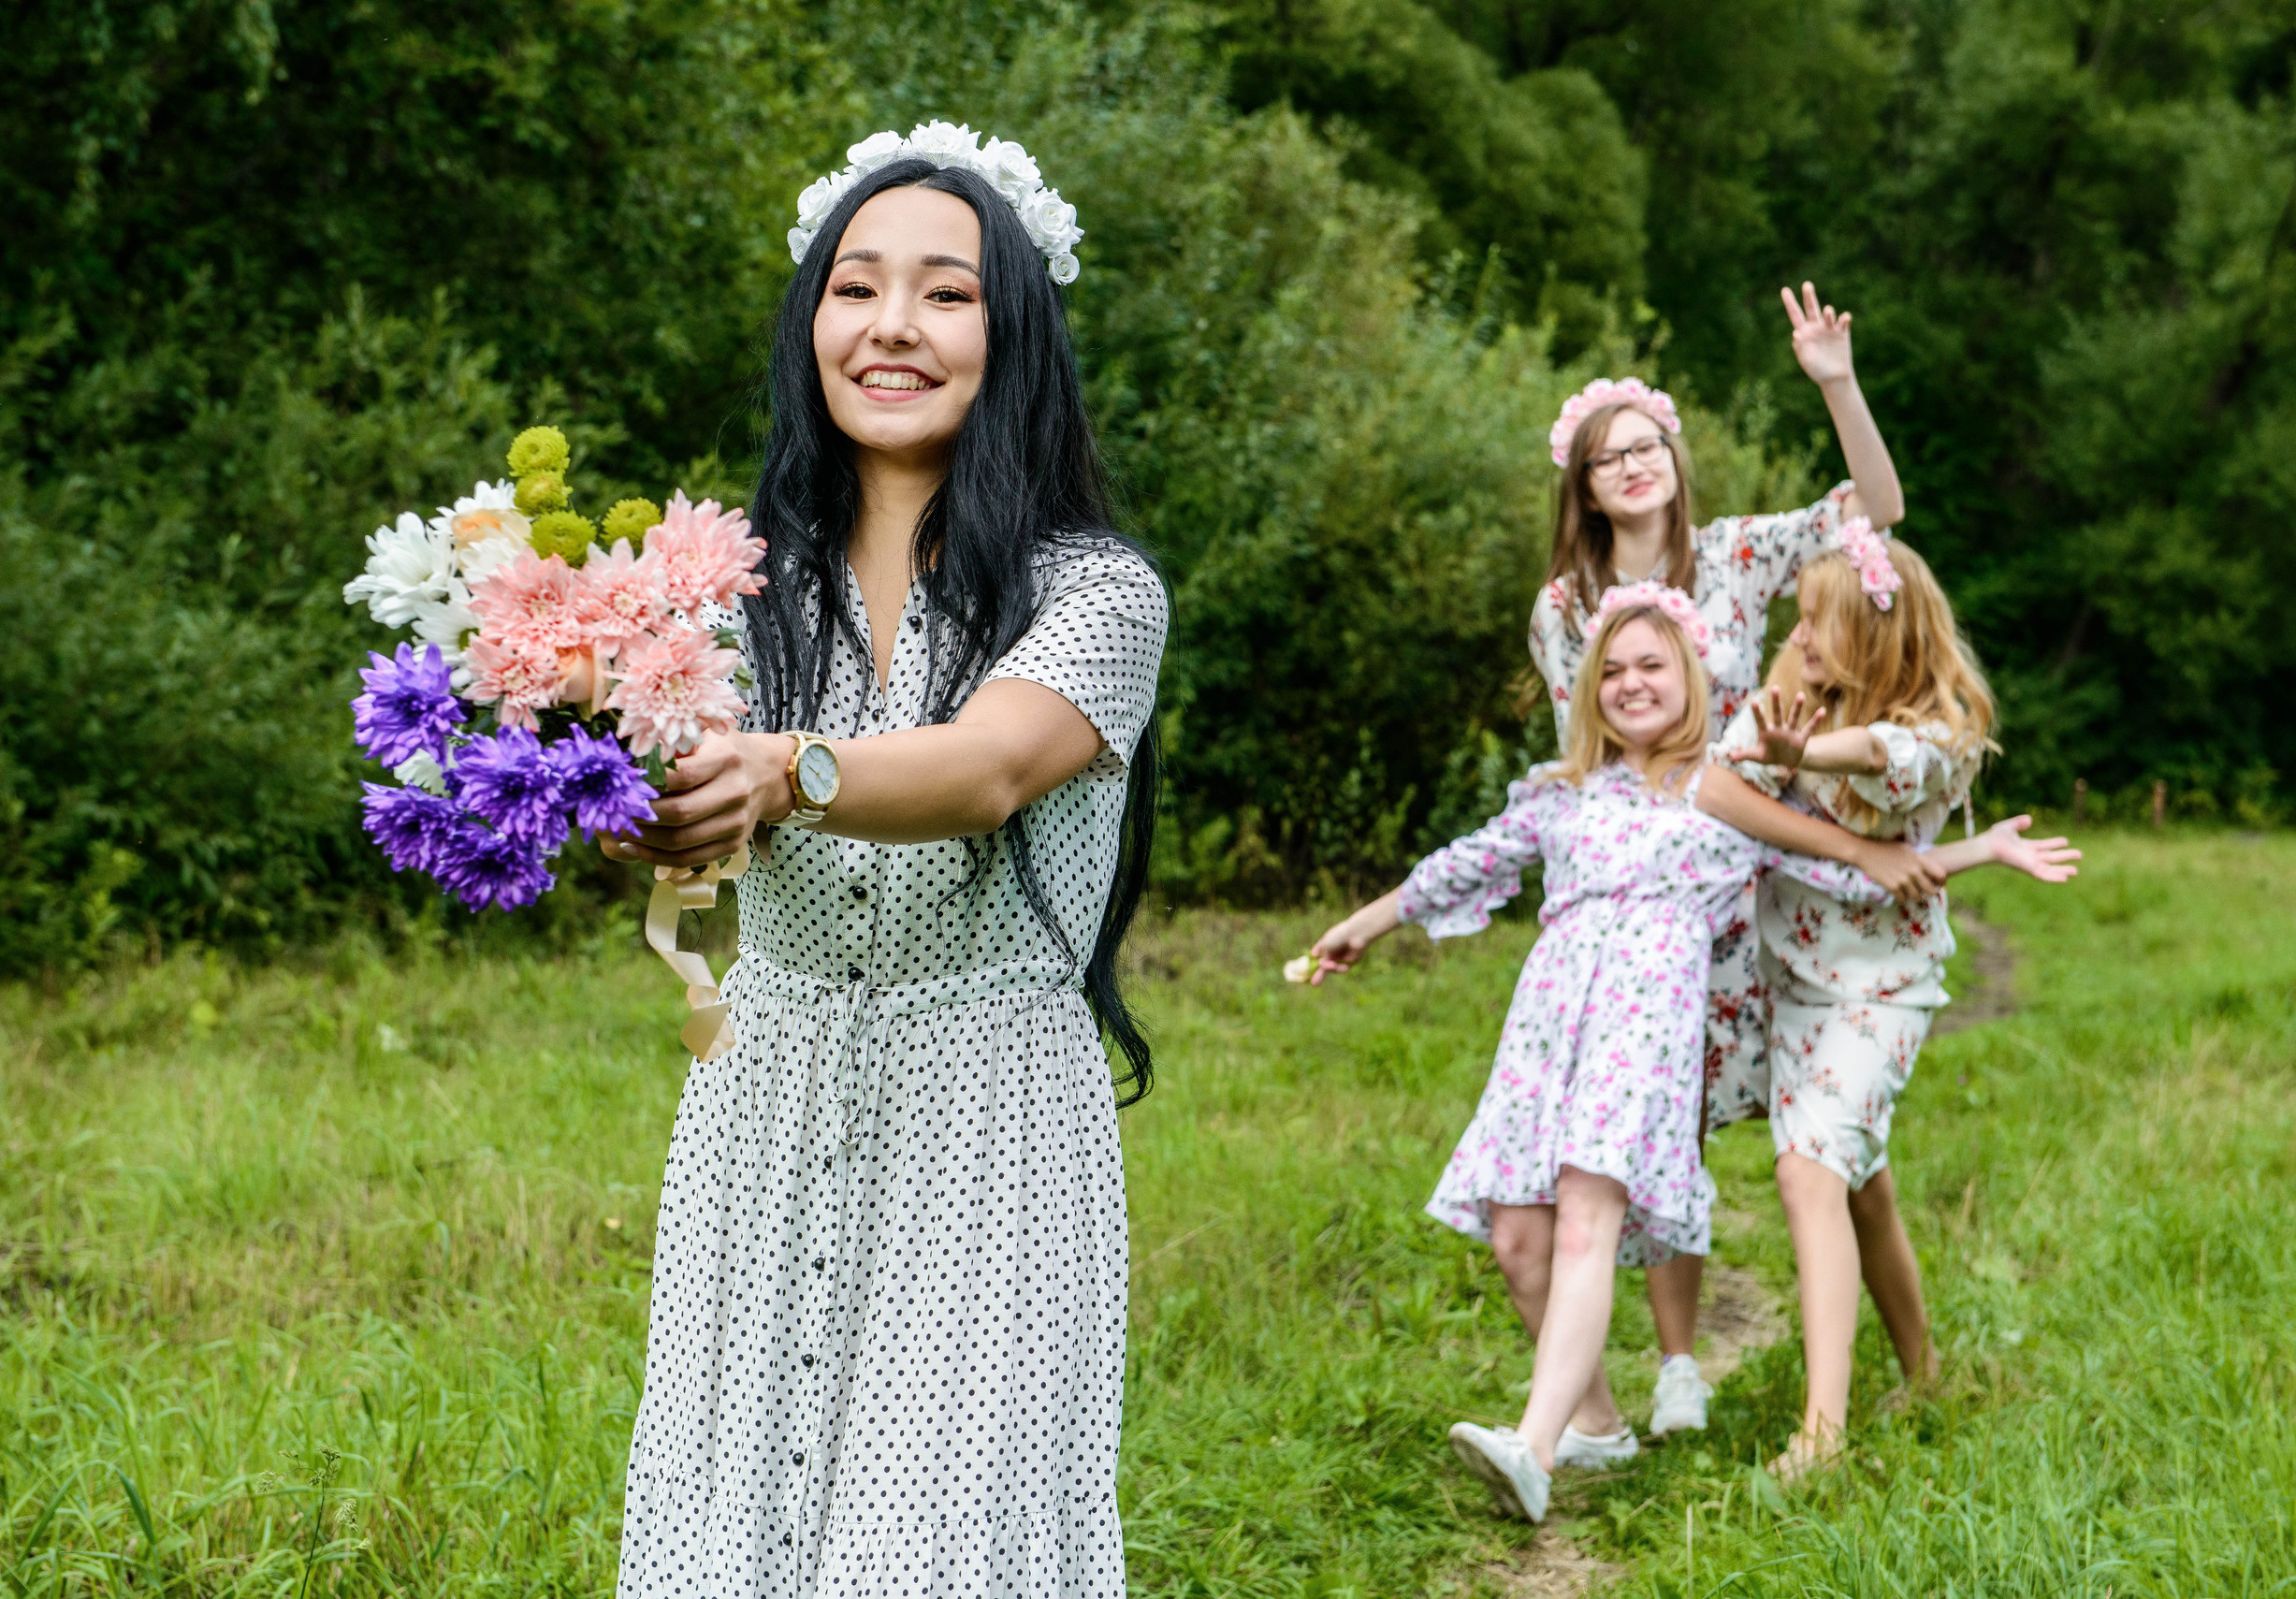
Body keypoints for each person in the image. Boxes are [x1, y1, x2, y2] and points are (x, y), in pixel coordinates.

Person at [597, 124, 1168, 1595]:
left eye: (946, 294)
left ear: (1015, 332)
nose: (892, 327)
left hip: (988, 1117)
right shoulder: (726, 595)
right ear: (812, 327)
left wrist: (783, 768)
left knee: (936, 1535)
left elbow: (986, 769)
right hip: (766, 1098)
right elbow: (677, 818)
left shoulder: (1097, 591)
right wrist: (641, 811)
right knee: (735, 1513)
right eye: (856, 289)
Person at [1301, 586, 2049, 1523]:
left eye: (1651, 664)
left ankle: (1531, 1448)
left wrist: (1977, 851)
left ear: (1690, 677)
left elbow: (1841, 861)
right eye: (1609, 669)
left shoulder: (1722, 795)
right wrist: (1364, 925)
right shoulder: (1558, 792)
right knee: (1518, 1238)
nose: (1629, 682)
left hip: (1643, 1043)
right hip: (1548, 1036)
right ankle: (1599, 1427)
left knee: (1584, 1217)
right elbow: (1469, 861)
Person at [1527, 286, 1925, 1436]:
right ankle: (1676, 1363)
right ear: (1586, 486)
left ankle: (1913, 1364)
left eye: (1646, 444)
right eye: (1608, 458)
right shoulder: (1565, 606)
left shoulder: (1747, 551)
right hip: (1656, 895)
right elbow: (1583, 752)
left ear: (1673, 458)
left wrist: (1834, 381)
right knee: (1656, 1114)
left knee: (1836, 1138)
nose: (1632, 466)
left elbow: (1881, 511)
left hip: (1785, 874)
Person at [1715, 527, 2076, 1479]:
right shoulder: (1806, 688)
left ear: (1876, 638)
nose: (1800, 641)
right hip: (1790, 981)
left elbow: (1878, 756)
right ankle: (1922, 1373)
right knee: (1859, 1184)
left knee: (1807, 1173)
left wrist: (1798, 745)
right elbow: (1725, 770)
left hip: (1877, 993)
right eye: (1797, 626)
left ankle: (1820, 1435)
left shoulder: (1936, 735)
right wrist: (1791, 670)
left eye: (1818, 626)